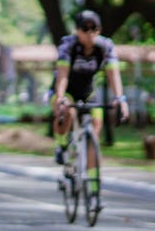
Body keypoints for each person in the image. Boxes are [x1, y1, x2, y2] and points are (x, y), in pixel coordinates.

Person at [51, 10, 128, 165]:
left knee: (96, 127)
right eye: (85, 29)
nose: (90, 33)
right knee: (67, 111)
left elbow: (113, 75)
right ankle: (61, 144)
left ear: (99, 30)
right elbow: (63, 75)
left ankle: (91, 177)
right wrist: (60, 98)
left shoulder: (105, 46)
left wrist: (120, 99)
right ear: (77, 30)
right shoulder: (68, 45)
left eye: (94, 29)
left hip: (87, 92)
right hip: (65, 89)